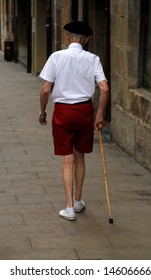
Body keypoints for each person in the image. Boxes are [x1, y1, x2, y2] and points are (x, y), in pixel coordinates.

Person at [38, 20, 109, 221]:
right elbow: (104, 88)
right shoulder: (93, 58)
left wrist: (43, 112)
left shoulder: (56, 57)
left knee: (66, 161)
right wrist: (100, 114)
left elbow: (45, 89)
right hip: (84, 111)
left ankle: (68, 208)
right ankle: (78, 201)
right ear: (86, 40)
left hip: (62, 111)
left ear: (68, 37)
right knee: (80, 156)